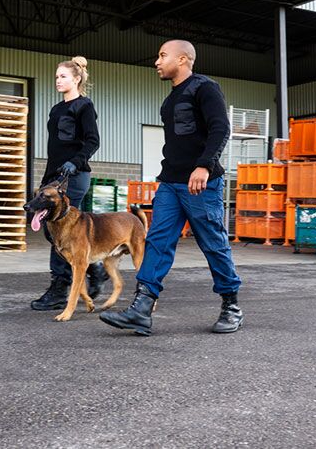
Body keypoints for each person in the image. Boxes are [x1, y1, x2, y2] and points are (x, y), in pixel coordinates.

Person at [99, 40, 243, 335]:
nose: (157, 61)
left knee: (213, 244)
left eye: (163, 55)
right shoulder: (169, 100)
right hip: (170, 183)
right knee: (157, 241)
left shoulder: (204, 88)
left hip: (201, 184)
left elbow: (220, 128)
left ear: (183, 59)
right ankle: (141, 309)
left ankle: (231, 306)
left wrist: (204, 165)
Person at [30, 56, 108, 311]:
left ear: (76, 79)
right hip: (54, 175)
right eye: (56, 77)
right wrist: (47, 179)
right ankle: (95, 269)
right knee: (51, 230)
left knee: (63, 229)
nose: (58, 80)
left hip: (74, 175)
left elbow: (93, 140)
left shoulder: (84, 106)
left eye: (63, 76)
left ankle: (60, 288)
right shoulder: (56, 109)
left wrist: (75, 162)